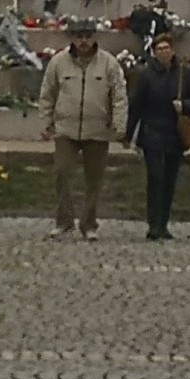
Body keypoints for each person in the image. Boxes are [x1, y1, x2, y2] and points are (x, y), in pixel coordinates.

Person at [37, 18, 127, 241]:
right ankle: (64, 221)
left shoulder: (109, 63)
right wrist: (45, 122)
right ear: (72, 39)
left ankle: (89, 224)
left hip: (97, 130)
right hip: (66, 129)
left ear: (94, 38)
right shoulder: (58, 62)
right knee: (62, 172)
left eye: (87, 36)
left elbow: (119, 96)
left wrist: (120, 124)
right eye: (79, 37)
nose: (83, 41)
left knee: (94, 179)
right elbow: (48, 93)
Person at [126, 29, 190, 243]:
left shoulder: (185, 74)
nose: (163, 52)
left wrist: (185, 105)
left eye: (166, 48)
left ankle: (163, 224)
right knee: (155, 177)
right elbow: (136, 105)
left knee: (169, 180)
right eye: (159, 49)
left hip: (175, 134)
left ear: (172, 50)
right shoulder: (146, 75)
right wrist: (128, 133)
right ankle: (153, 224)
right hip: (152, 132)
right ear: (154, 52)